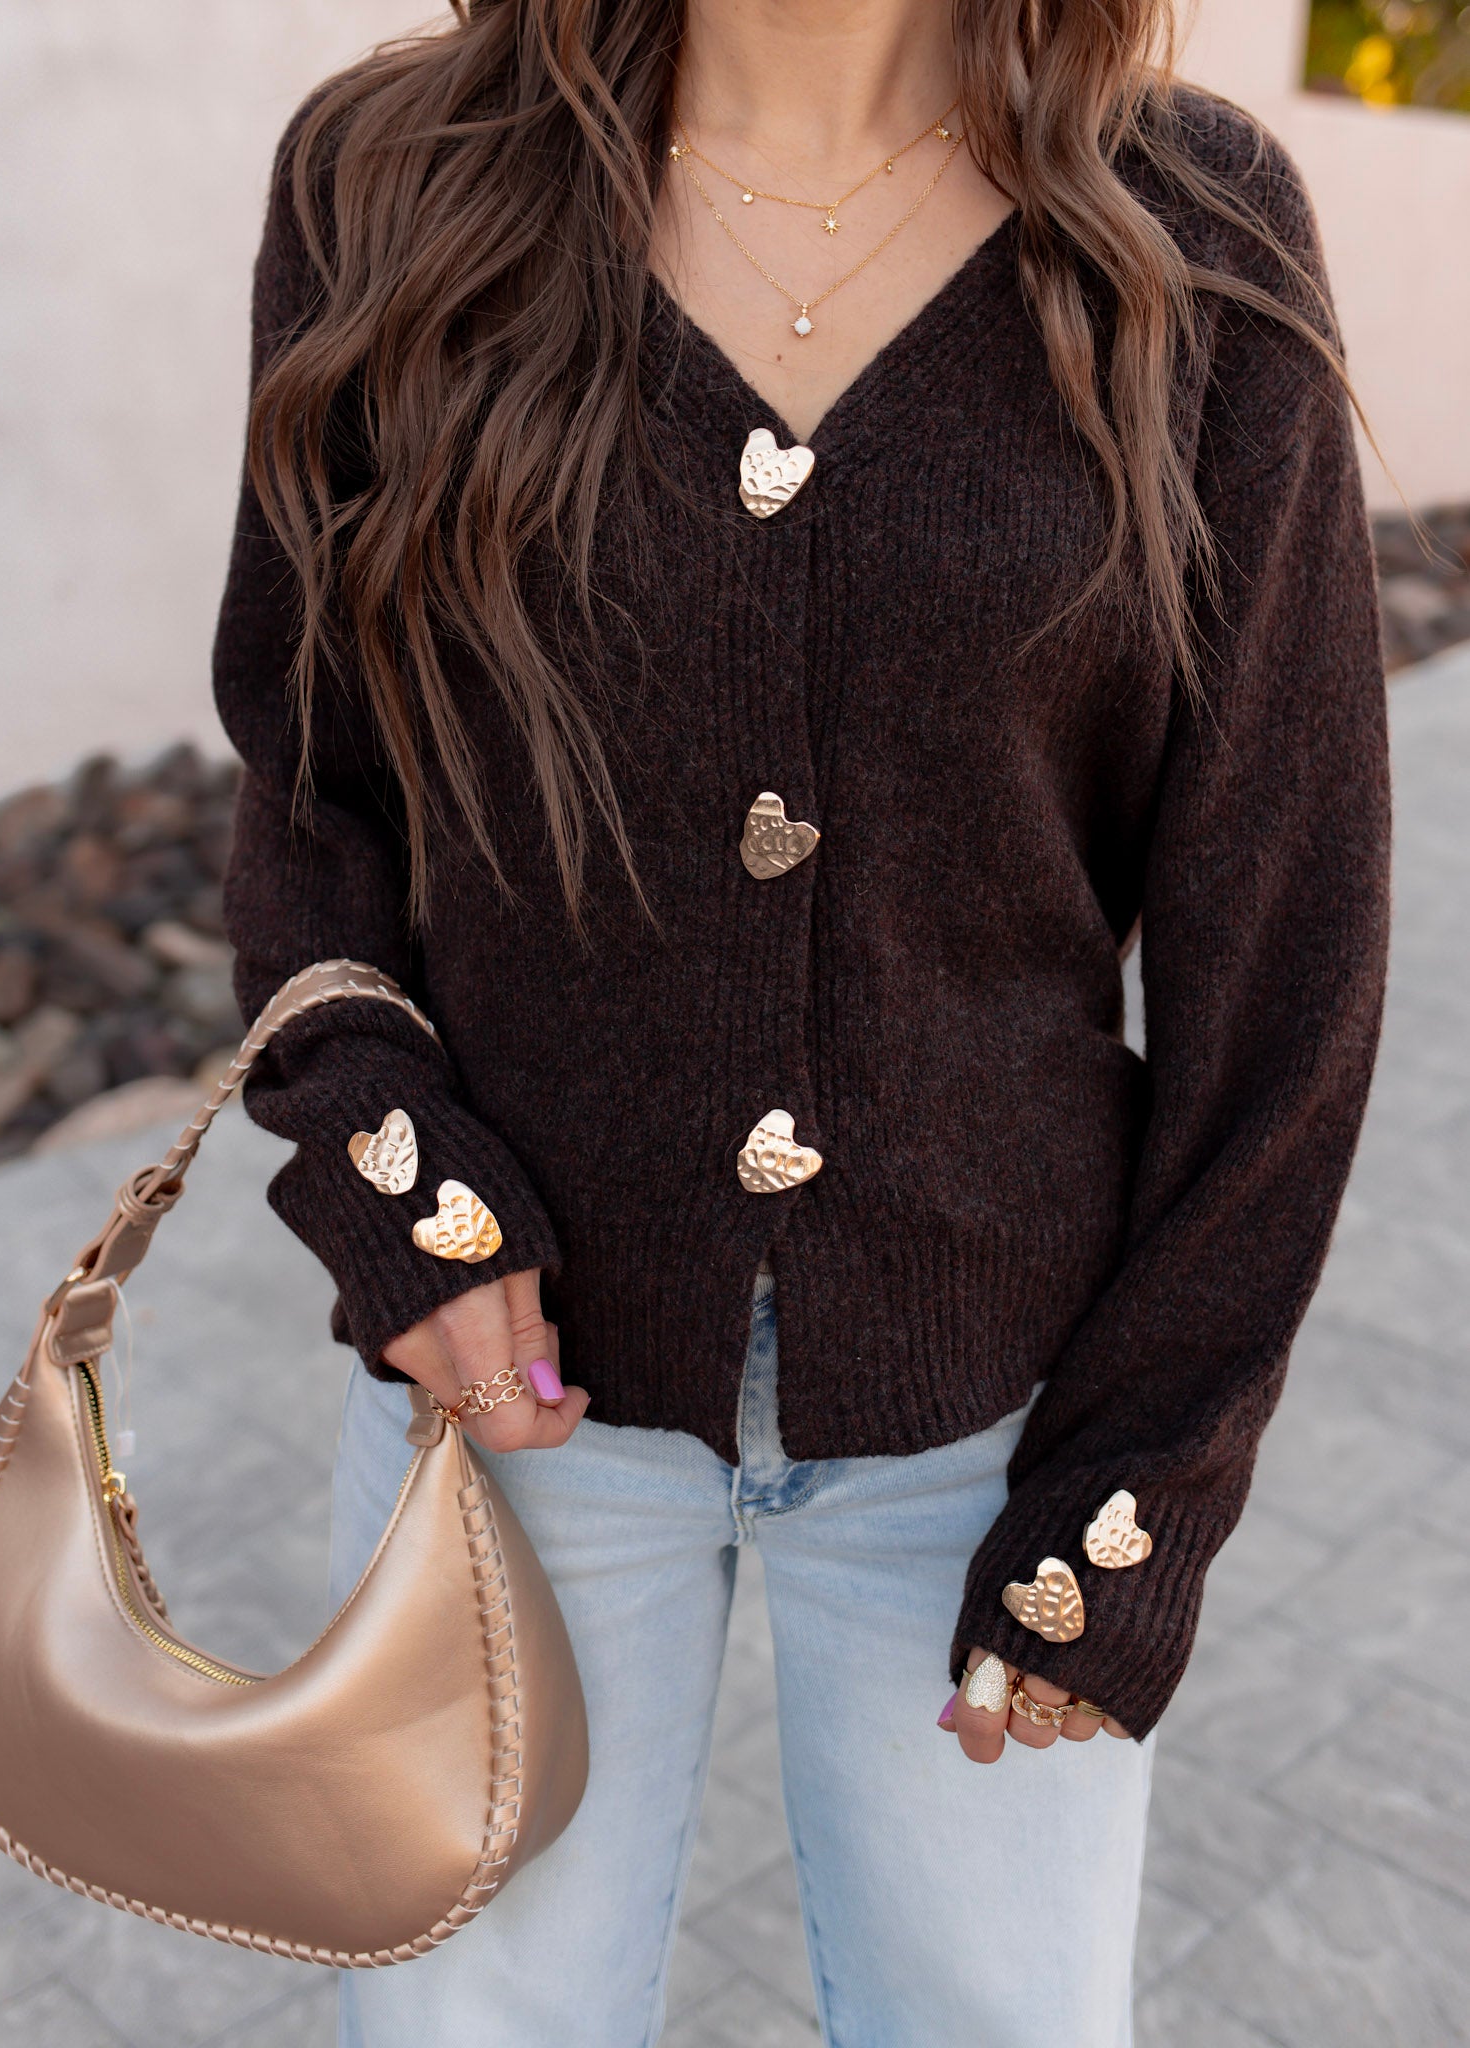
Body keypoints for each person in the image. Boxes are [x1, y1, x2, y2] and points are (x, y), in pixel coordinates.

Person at [212, 0, 1390, 2040]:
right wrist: (389, 1178)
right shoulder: (390, 182)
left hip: (997, 1417)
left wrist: (1147, 1477)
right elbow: (312, 784)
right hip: (509, 1397)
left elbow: (1284, 946)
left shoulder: (1190, 230)